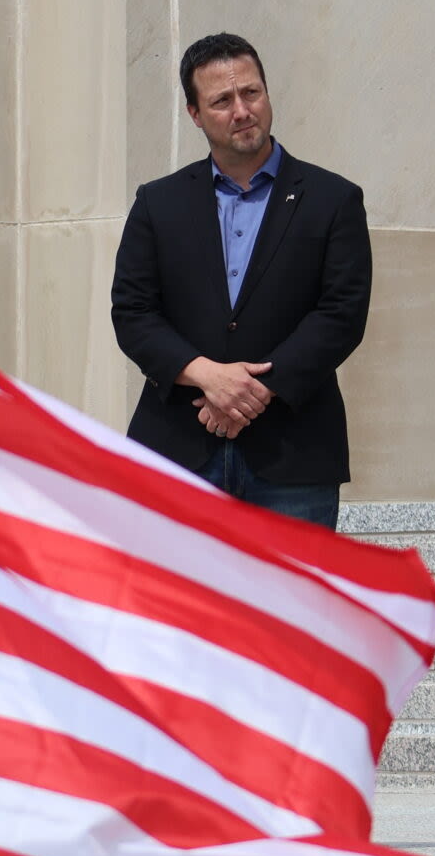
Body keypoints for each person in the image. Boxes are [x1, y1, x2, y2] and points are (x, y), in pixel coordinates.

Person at [109, 34, 370, 528]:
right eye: (222, 100)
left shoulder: (333, 199)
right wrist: (208, 375)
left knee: (293, 607)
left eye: (251, 93)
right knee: (175, 606)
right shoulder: (158, 203)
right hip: (176, 450)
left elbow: (342, 313)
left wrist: (253, 391)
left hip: (294, 454)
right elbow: (132, 311)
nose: (242, 110)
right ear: (194, 113)